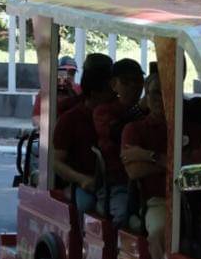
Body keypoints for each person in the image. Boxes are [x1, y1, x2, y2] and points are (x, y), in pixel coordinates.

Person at [53, 53, 115, 216]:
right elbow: (56, 162)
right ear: (95, 92)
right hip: (82, 184)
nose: (115, 94)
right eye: (110, 90)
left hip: (113, 183)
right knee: (86, 204)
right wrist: (81, 179)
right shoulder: (70, 118)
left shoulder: (121, 113)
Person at [121, 74, 170, 259]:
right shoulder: (134, 129)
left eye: (166, 92)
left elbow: (189, 164)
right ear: (146, 97)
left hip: (194, 201)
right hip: (157, 201)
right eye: (154, 93)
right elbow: (134, 171)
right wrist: (165, 161)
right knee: (159, 231)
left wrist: (148, 155)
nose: (160, 99)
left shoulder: (189, 125)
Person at [91, 59, 145, 227]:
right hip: (116, 184)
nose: (133, 86)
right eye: (126, 82)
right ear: (114, 84)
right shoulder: (103, 111)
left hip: (147, 181)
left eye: (138, 81)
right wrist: (140, 109)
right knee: (122, 216)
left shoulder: (151, 112)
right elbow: (116, 133)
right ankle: (114, 251)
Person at [32, 55, 79, 130]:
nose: (69, 76)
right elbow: (36, 117)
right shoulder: (46, 91)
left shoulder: (80, 90)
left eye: (72, 73)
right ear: (57, 73)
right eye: (65, 72)